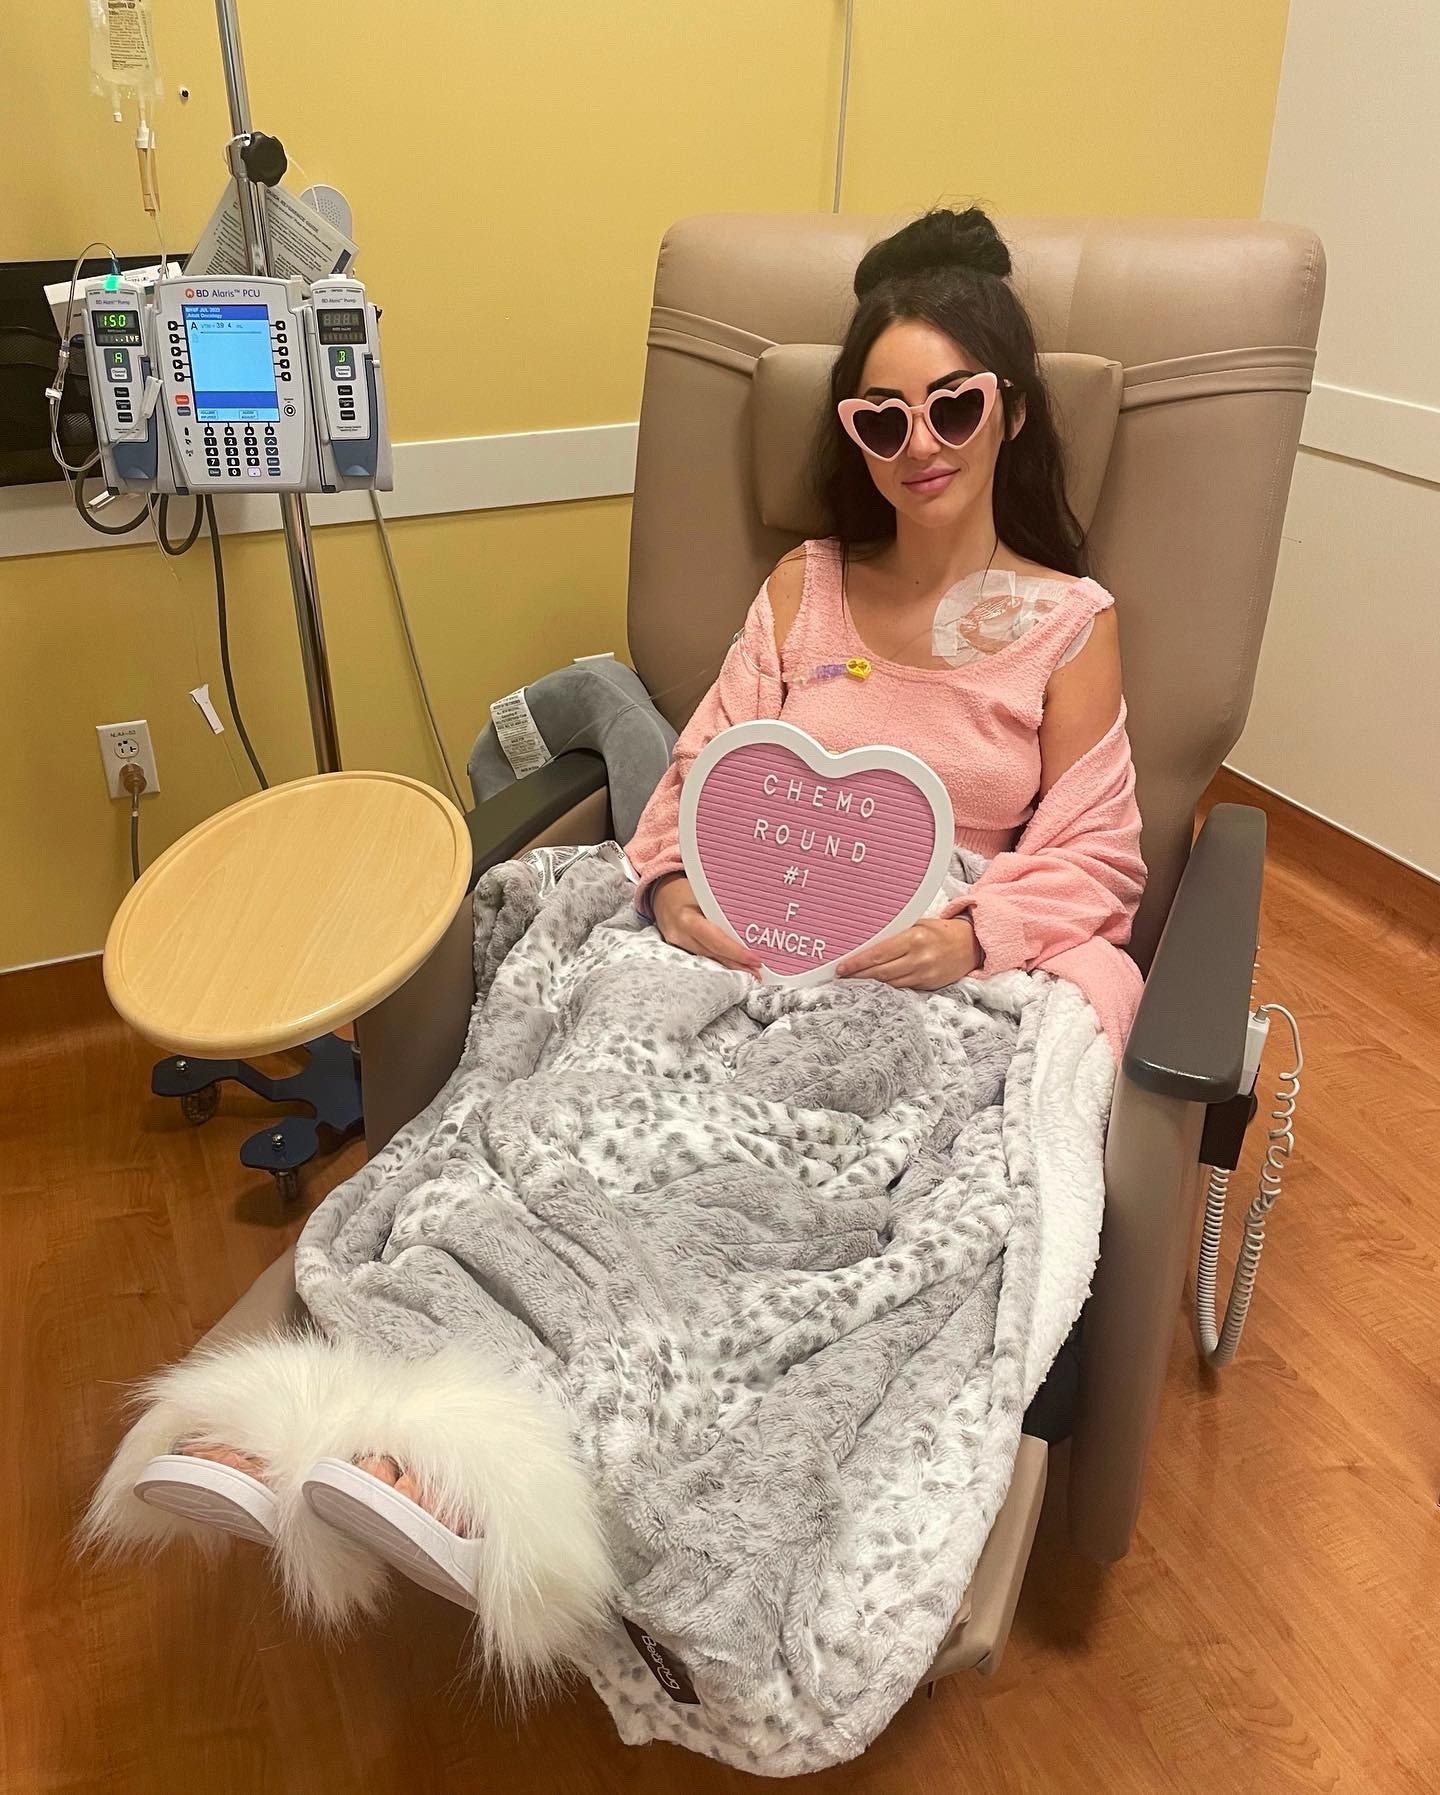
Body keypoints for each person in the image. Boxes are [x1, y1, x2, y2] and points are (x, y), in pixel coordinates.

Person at [86, 205, 1143, 1651]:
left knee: (732, 1229)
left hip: (918, 1002)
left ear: (1009, 412)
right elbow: (707, 766)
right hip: (715, 963)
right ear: (852, 429)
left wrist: (972, 939)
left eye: (954, 404)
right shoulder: (805, 588)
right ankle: (324, 1413)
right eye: (883, 415)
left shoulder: (1069, 625)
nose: (922, 444)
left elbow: (1097, 856)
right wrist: (669, 894)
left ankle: (505, 1474)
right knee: (549, 1129)